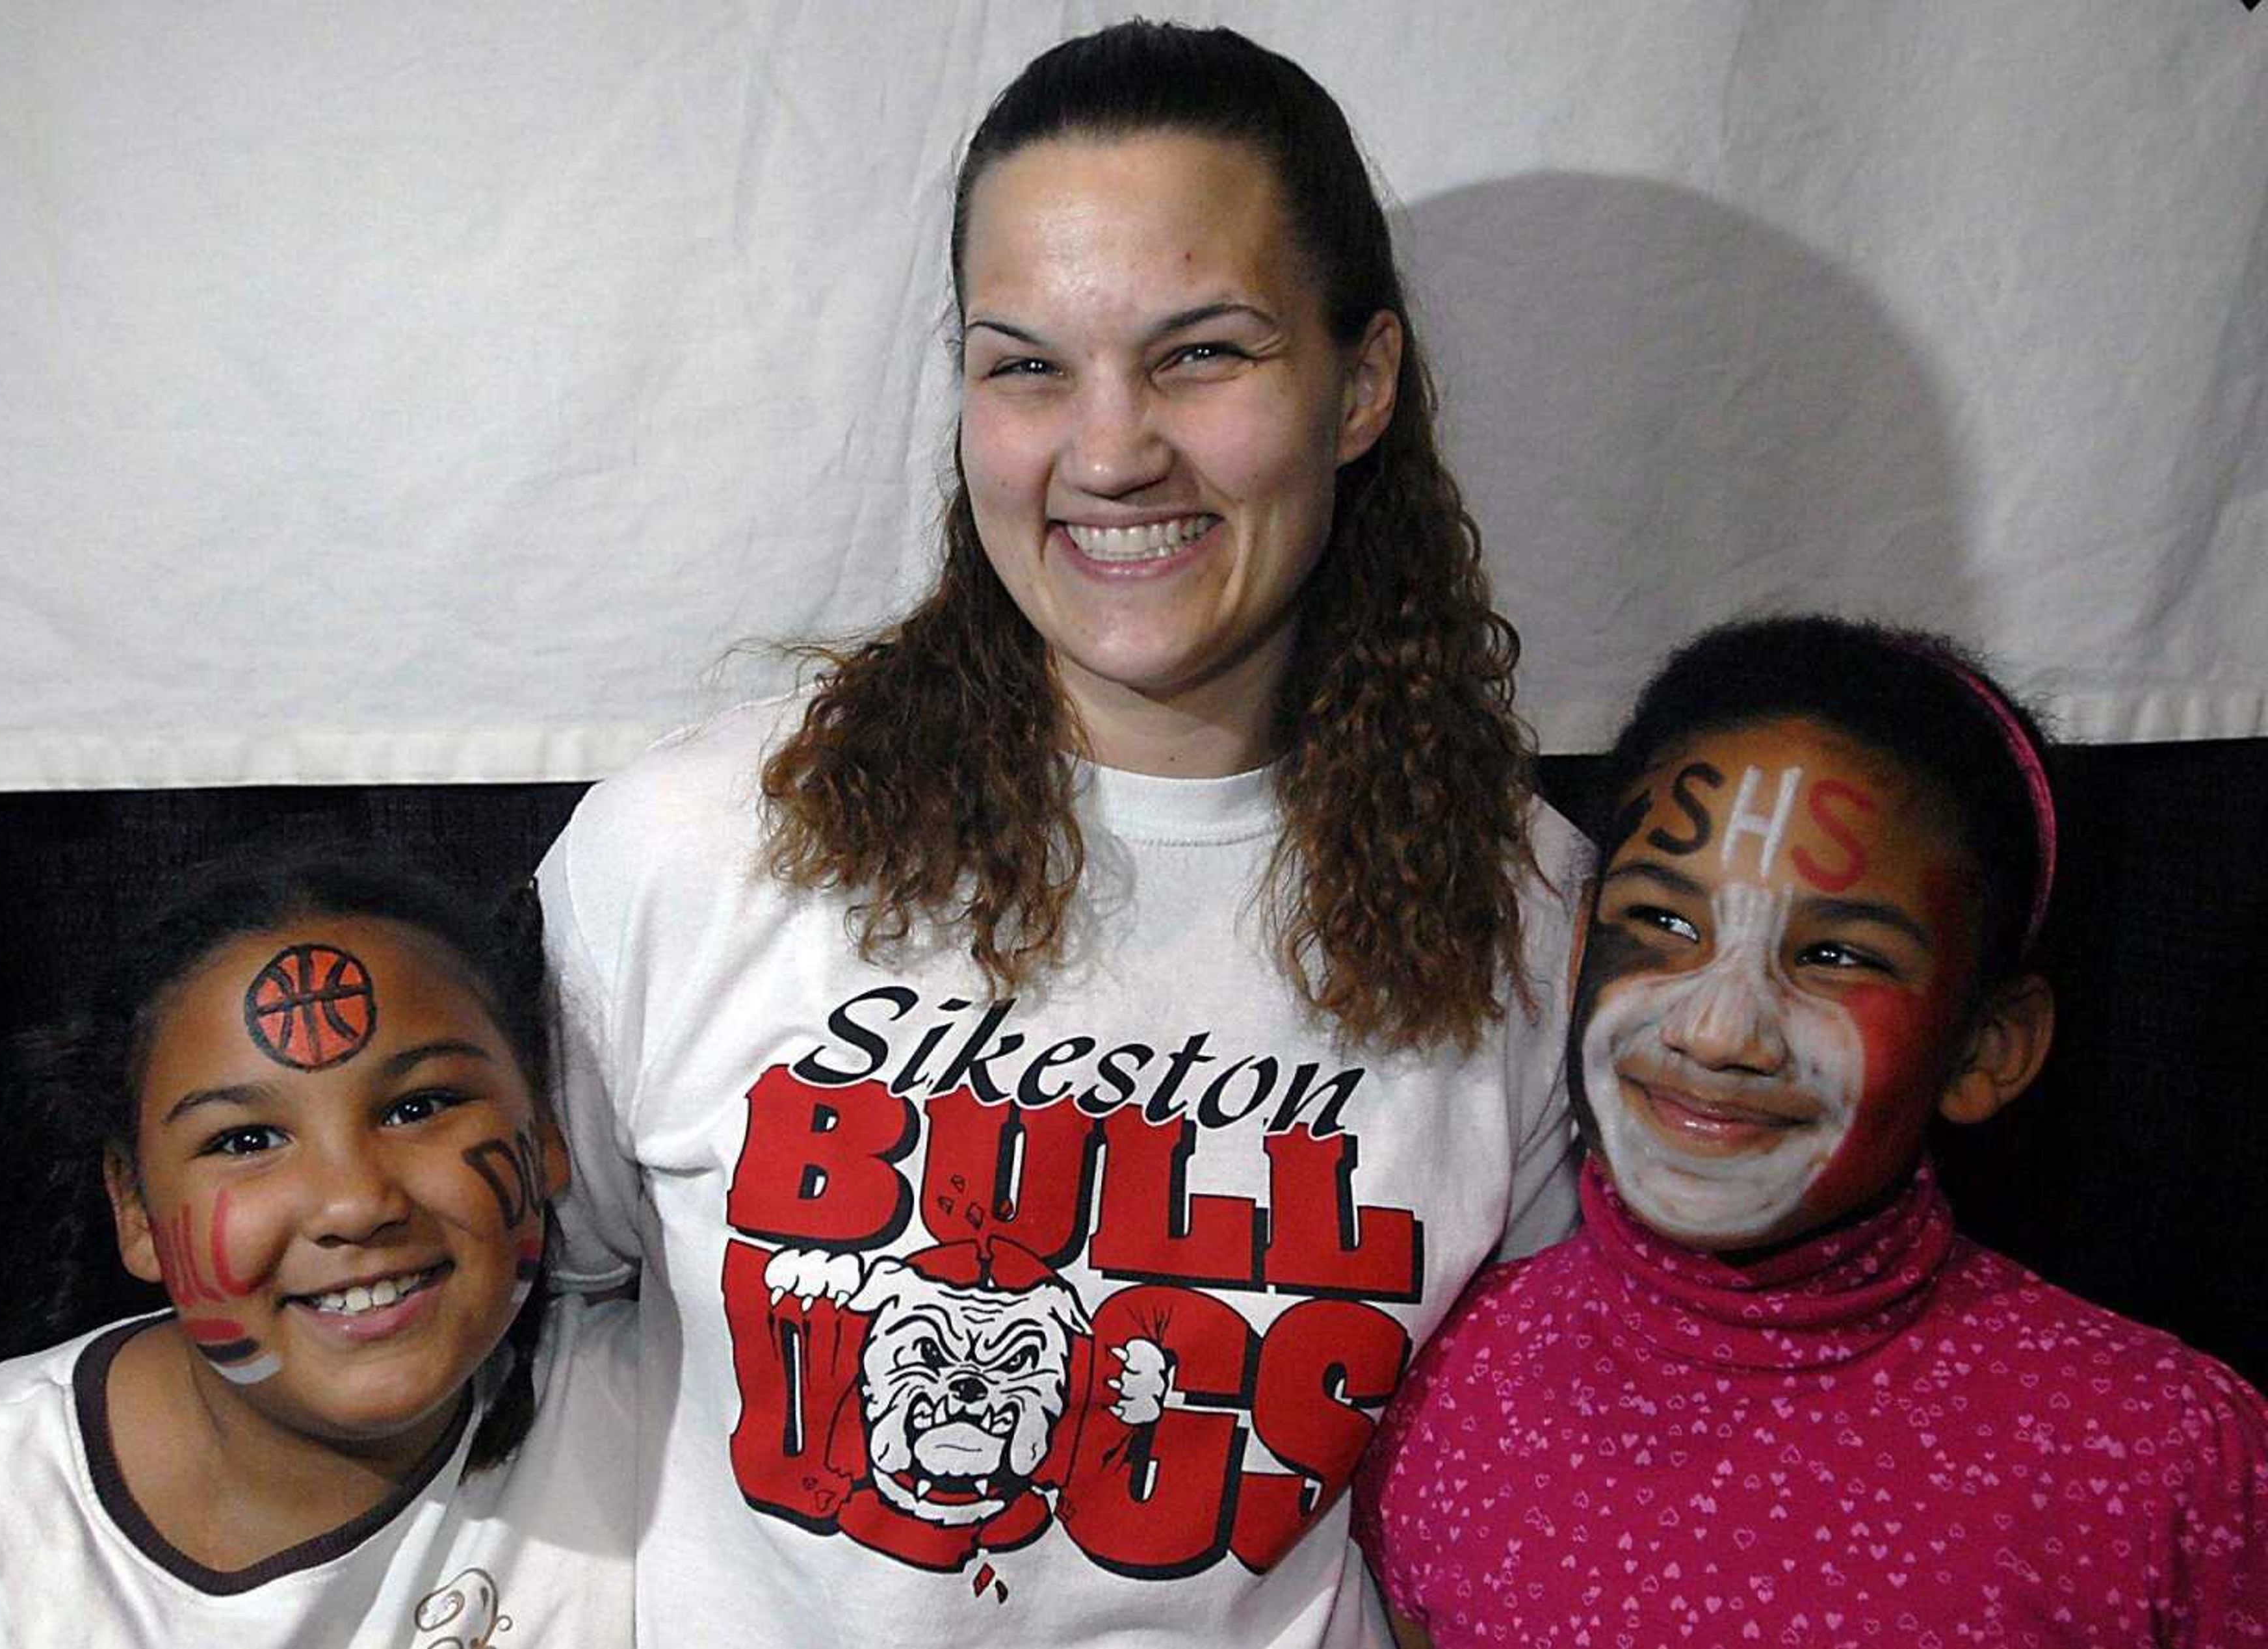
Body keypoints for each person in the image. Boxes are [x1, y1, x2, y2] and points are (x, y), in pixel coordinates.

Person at [536, 19, 1584, 1646]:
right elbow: (529, 1318)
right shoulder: (687, 851)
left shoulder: (1532, 916)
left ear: (1360, 381)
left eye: (1203, 352)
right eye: (1027, 365)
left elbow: (1523, 1465)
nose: (1108, 453)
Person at [1355, 615, 2268, 1646]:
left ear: (1988, 1047)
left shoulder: (2160, 1453)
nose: (1717, 1029)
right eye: (1663, 922)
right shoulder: (1443, 1374)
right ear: (1576, 956)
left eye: (1835, 955)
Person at [0, 851, 638, 1647]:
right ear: (137, 1208)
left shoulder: (660, 1431)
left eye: (418, 1107)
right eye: (247, 1139)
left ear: (551, 1131)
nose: (355, 1203)